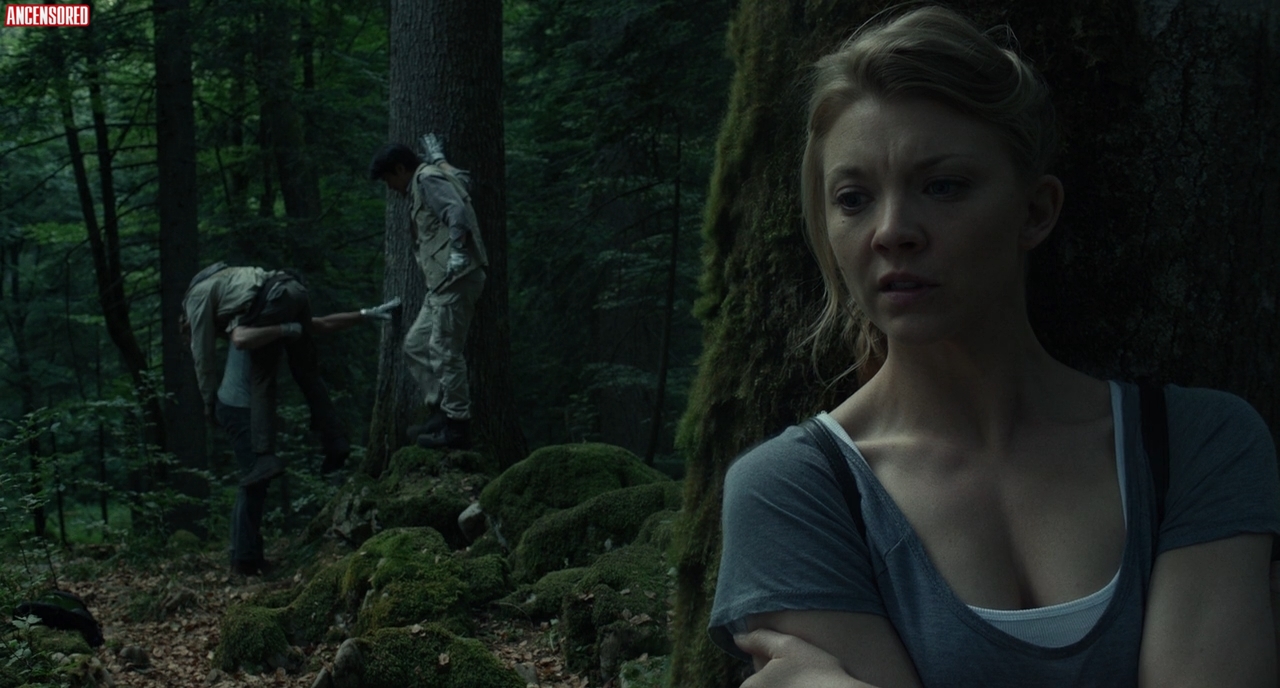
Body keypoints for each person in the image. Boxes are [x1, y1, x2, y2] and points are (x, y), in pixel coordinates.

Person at [709, 6, 1280, 688]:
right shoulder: (794, 492)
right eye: (854, 199)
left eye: (942, 186)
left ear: (1035, 211)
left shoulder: (1197, 445)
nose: (892, 231)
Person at [219, 306, 398, 577]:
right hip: (239, 408)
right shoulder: (252, 316)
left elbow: (322, 323)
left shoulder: (278, 316)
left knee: (257, 482)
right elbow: (240, 338)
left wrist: (365, 314)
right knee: (254, 479)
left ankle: (247, 555)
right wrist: (284, 329)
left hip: (251, 410)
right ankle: (243, 560)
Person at [182, 263, 398, 485]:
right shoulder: (234, 290)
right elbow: (321, 324)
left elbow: (212, 350)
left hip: (273, 296)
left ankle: (265, 457)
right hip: (293, 291)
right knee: (307, 373)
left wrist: (208, 402)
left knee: (261, 377)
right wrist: (365, 314)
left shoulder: (198, 297)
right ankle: (335, 439)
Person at [368, 134, 488, 450]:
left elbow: (456, 211)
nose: (390, 187)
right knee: (416, 345)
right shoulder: (432, 175)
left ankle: (457, 427)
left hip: (457, 279)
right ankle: (440, 410)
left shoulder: (426, 180)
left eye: (388, 179)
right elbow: (463, 181)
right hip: (440, 285)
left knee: (445, 351)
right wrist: (439, 158)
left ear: (399, 169)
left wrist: (459, 249)